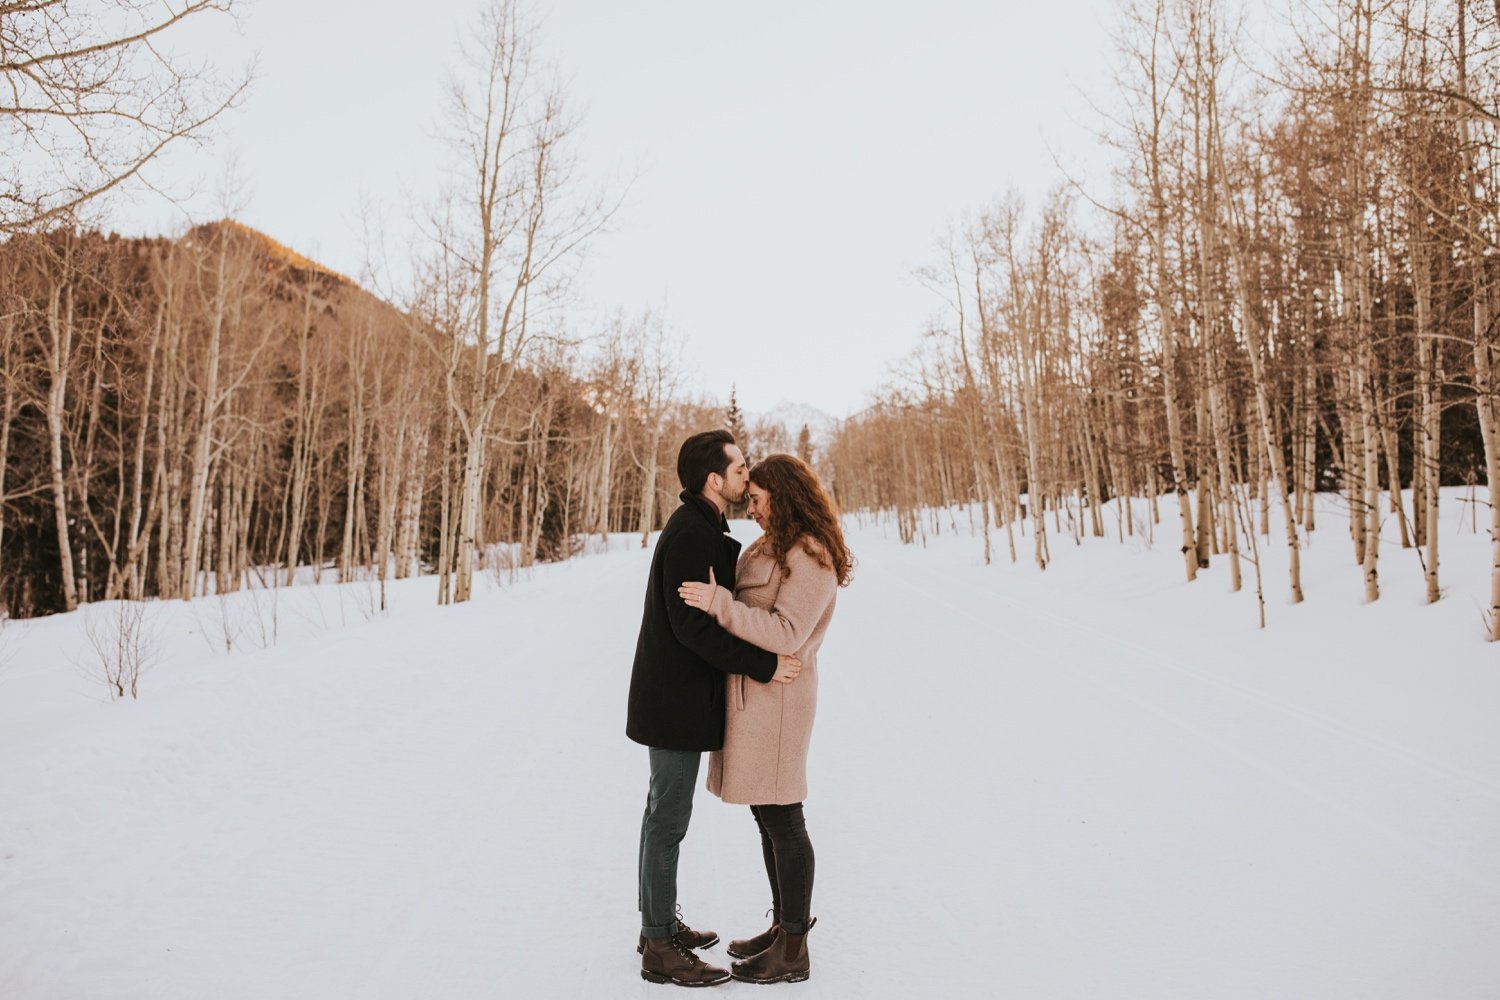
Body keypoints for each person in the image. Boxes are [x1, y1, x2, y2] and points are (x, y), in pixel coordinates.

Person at [626, 429, 805, 988]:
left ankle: (656, 926)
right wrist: (765, 665)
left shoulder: (703, 530)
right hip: (672, 702)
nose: (745, 476)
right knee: (668, 819)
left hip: (677, 700)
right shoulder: (690, 535)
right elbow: (691, 629)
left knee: (663, 814)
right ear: (713, 478)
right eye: (738, 468)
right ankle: (658, 943)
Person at [677, 452, 853, 985]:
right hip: (756, 699)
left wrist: (718, 604)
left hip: (780, 704)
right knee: (766, 814)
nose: (749, 507)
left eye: (756, 498)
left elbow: (784, 634)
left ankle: (794, 948)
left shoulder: (812, 553)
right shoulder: (773, 542)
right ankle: (782, 928)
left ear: (782, 493)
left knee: (784, 818)